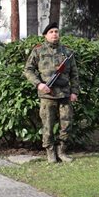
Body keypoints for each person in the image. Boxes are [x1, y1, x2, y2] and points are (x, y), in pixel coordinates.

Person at [24, 22, 79, 164]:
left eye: (56, 31)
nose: (54, 34)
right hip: (48, 95)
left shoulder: (67, 52)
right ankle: (50, 152)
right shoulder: (38, 51)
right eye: (51, 32)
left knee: (66, 124)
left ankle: (62, 151)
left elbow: (74, 74)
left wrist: (74, 92)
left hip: (65, 95)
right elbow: (28, 70)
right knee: (48, 125)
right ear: (45, 35)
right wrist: (39, 84)